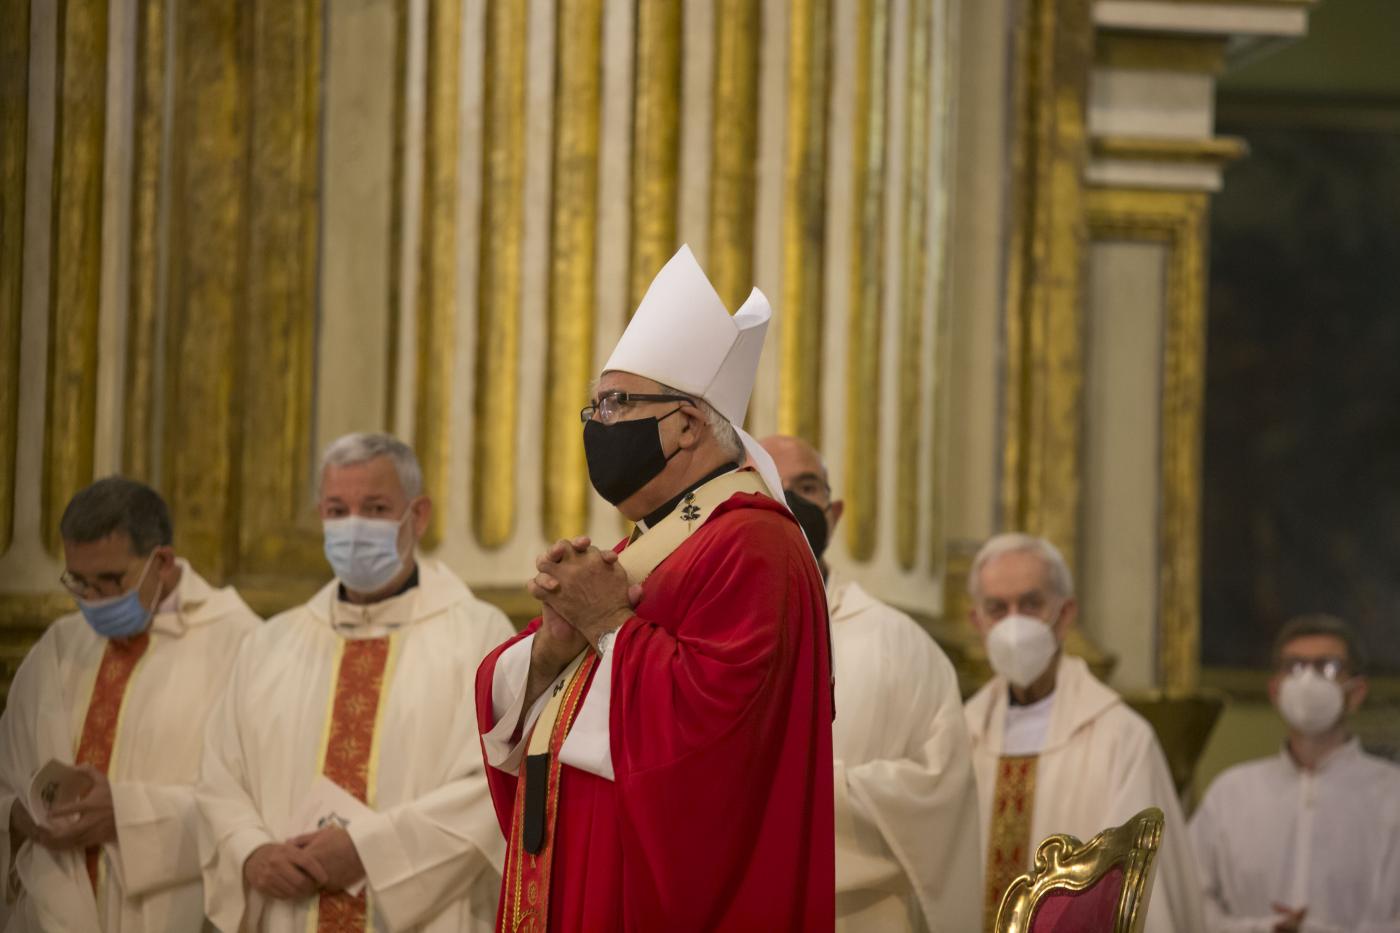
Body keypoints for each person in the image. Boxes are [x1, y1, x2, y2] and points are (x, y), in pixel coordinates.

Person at [475, 245, 833, 931]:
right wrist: (553, 645)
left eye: (616, 403)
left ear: (689, 423)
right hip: (582, 874)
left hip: (649, 895)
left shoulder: (754, 544)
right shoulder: (654, 541)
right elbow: (531, 698)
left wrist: (609, 625)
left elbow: (716, 741)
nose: (595, 423)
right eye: (595, 404)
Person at [198, 433, 514, 932]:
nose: (353, 527)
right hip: (287, 911)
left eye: (375, 508)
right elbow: (219, 777)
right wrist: (250, 851)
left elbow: (490, 787)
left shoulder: (481, 638)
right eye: (337, 511)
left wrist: (371, 852)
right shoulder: (269, 645)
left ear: (419, 515)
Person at [0, 477, 259, 930]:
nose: (94, 600)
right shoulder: (59, 648)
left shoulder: (243, 648)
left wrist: (127, 816)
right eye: (79, 582)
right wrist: (20, 818)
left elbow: (258, 807)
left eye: (110, 580)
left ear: (161, 562)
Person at [760, 434, 982, 933]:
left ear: (834, 513)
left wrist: (796, 794)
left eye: (808, 487)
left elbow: (940, 793)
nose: (791, 501)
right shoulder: (698, 629)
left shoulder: (903, 647)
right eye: (772, 484)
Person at [962, 532, 1204, 933]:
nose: (1014, 622)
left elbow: (1142, 895)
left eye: (1031, 604)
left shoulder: (1120, 737)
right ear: (978, 622)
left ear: (1066, 613)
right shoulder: (960, 734)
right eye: (997, 608)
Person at [1191, 615, 1400, 933]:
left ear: (1356, 693)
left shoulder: (1392, 793)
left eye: (1327, 667)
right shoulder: (1231, 793)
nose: (1308, 681)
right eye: (1294, 667)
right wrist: (1261, 929)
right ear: (1276, 691)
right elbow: (1189, 897)